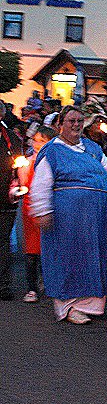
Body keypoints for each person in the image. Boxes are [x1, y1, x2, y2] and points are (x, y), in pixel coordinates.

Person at [29, 105, 107, 324]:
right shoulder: (52, 151)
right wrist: (42, 210)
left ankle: (90, 305)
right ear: (60, 123)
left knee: (95, 258)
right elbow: (41, 184)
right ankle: (69, 307)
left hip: (96, 218)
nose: (76, 125)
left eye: (80, 121)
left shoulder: (92, 148)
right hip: (67, 219)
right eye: (71, 121)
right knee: (68, 258)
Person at [16, 125, 56, 303]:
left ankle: (48, 282)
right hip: (30, 209)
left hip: (51, 209)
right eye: (35, 140)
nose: (37, 144)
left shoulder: (55, 160)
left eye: (42, 141)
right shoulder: (27, 160)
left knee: (49, 249)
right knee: (31, 251)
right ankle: (32, 288)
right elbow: (20, 181)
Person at [0, 102, 22, 300]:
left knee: (3, 242)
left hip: (5, 200)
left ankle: (4, 286)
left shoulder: (12, 139)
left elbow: (19, 167)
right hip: (6, 198)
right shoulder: (12, 139)